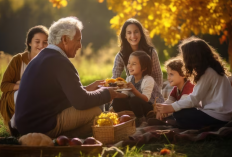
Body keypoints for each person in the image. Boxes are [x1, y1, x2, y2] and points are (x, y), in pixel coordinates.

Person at [15, 17, 118, 138]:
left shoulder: (42, 57)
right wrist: (107, 93)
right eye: (78, 40)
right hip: (41, 127)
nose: (80, 45)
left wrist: (87, 89)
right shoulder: (60, 61)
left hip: (27, 126)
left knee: (94, 100)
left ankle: (63, 139)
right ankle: (66, 139)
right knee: (96, 109)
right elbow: (81, 102)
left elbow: (58, 96)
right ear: (64, 39)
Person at [156, 37, 232, 130]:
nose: (184, 60)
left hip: (219, 116)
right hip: (217, 114)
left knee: (180, 114)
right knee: (181, 112)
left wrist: (172, 107)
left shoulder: (208, 73)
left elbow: (194, 99)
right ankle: (173, 120)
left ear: (193, 57)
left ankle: (176, 121)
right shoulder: (211, 70)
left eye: (185, 57)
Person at [0, 25, 48, 125]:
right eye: (37, 41)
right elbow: (3, 86)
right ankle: (15, 124)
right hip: (14, 99)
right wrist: (22, 86)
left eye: (45, 42)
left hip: (37, 100)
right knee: (24, 94)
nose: (41, 45)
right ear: (29, 43)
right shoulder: (18, 60)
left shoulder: (48, 63)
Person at [111, 51, 164, 127]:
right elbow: (125, 95)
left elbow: (146, 99)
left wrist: (133, 90)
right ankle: (127, 118)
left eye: (134, 64)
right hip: (135, 106)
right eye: (129, 63)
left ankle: (142, 120)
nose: (129, 66)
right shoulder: (129, 78)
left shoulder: (148, 79)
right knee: (117, 101)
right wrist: (114, 94)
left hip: (150, 107)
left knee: (134, 100)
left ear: (144, 68)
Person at [112, 18, 163, 91]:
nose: (133, 36)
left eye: (136, 32)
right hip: (132, 91)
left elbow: (158, 76)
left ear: (141, 33)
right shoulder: (121, 56)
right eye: (129, 33)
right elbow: (115, 77)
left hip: (150, 91)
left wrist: (156, 93)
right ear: (125, 36)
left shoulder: (151, 52)